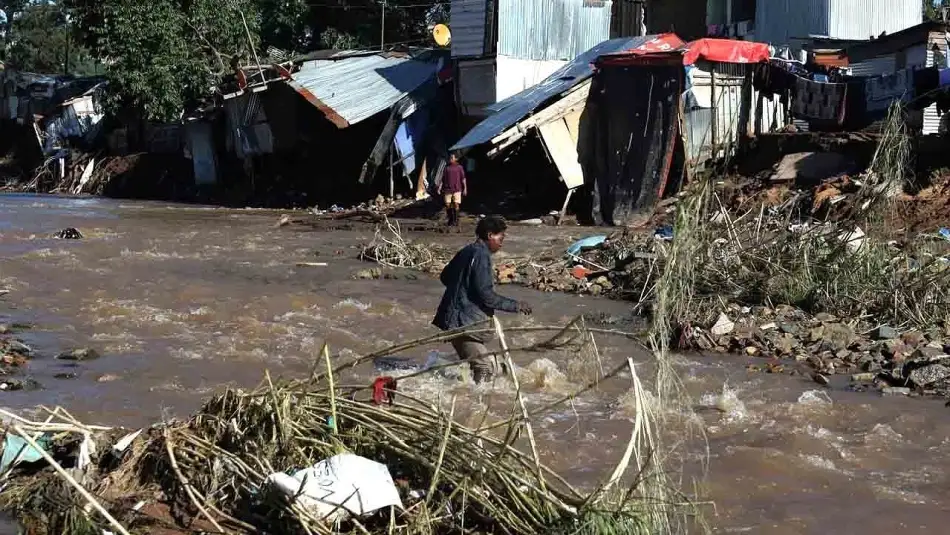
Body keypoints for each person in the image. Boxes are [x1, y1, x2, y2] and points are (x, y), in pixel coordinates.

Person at [432, 216, 532, 383]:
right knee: (484, 368)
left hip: (454, 320)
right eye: (501, 238)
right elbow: (486, 295)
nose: (501, 244)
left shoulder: (467, 250)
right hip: (464, 325)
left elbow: (445, 277)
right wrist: (516, 305)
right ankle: (477, 397)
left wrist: (462, 290)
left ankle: (461, 389)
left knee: (482, 366)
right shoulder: (481, 255)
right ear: (490, 235)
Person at [439, 153, 467, 226]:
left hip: (457, 189)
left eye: (452, 158)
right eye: (450, 158)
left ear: (456, 159)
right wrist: (440, 187)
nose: (450, 159)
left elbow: (463, 178)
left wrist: (465, 188)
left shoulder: (459, 167)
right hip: (447, 189)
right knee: (448, 204)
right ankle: (451, 219)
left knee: (456, 204)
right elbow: (443, 179)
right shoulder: (446, 168)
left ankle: (456, 220)